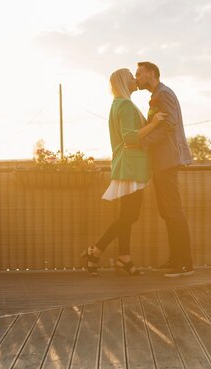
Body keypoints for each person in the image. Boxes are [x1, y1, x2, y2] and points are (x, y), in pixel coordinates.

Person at [81, 68, 165, 276]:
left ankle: (124, 257)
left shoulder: (118, 104)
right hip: (131, 166)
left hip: (128, 164)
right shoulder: (125, 105)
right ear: (122, 82)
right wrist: (154, 123)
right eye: (131, 77)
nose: (135, 79)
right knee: (130, 215)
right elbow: (130, 138)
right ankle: (95, 250)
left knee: (126, 214)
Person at [135, 61, 194, 278]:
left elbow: (170, 125)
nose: (136, 78)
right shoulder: (157, 95)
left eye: (139, 74)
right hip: (160, 162)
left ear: (151, 73)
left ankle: (185, 264)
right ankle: (175, 259)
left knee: (173, 210)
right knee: (167, 211)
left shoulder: (164, 94)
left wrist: (144, 142)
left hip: (167, 160)